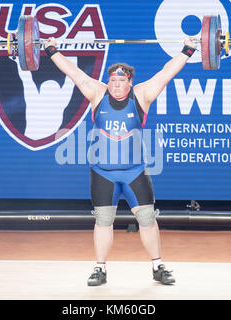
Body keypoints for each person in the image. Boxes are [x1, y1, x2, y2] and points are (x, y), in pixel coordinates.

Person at [44, 38, 197, 286]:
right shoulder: (96, 93)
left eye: (121, 81)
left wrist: (188, 49)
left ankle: (158, 267)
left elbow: (166, 73)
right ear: (108, 82)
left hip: (135, 172)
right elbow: (72, 72)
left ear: (130, 82)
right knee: (103, 221)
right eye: (113, 81)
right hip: (103, 173)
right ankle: (99, 269)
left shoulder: (142, 95)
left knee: (147, 218)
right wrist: (51, 49)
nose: (116, 85)